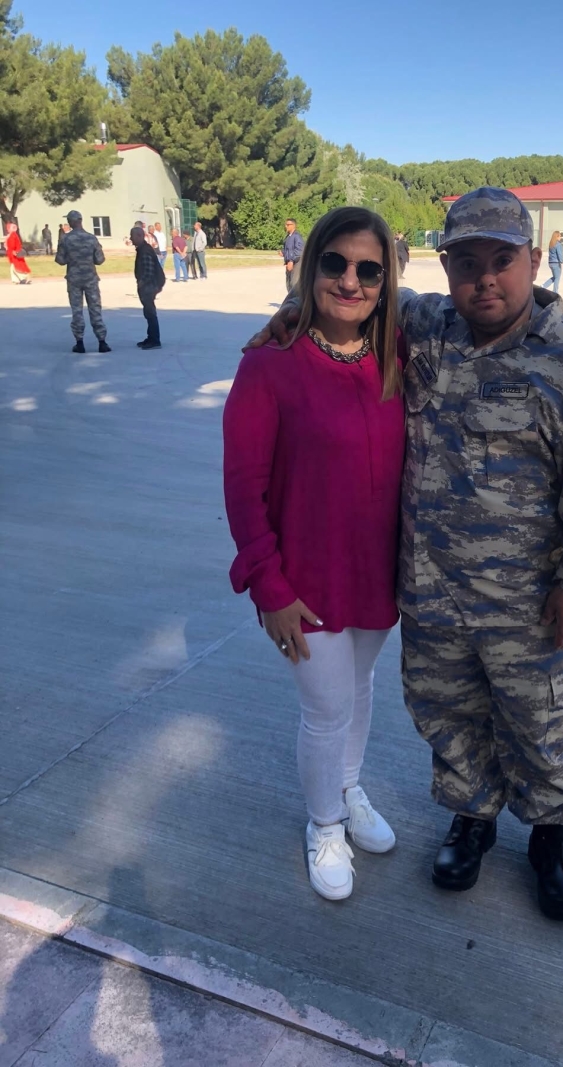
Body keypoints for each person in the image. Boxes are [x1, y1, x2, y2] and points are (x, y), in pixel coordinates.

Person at [245, 188, 563, 922]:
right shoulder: (425, 328)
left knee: (542, 723)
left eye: (501, 261)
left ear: (533, 260)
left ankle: (551, 837)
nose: (485, 279)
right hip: (431, 591)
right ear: (445, 267)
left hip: (528, 601)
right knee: (448, 716)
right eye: (467, 263)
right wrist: (293, 312)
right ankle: (471, 820)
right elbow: (349, 298)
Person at [224, 207, 404, 902]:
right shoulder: (268, 366)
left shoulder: (399, 354)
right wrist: (267, 586)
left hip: (376, 572)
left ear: (386, 282)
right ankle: (324, 823)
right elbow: (243, 486)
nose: (351, 282)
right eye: (335, 264)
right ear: (310, 266)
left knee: (359, 690)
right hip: (304, 578)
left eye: (369, 270)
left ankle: (348, 788)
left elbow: (477, 305)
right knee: (325, 708)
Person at [54, 209, 110, 354]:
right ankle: (102, 342)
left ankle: (79, 343)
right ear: (81, 220)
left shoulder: (65, 239)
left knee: (77, 311)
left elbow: (60, 260)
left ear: (70, 222)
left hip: (74, 280)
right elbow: (100, 260)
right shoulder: (92, 238)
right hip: (90, 279)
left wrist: (71, 257)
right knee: (95, 309)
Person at [130, 226, 165, 349]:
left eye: (132, 236)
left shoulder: (145, 251)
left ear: (140, 236)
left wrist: (141, 283)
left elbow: (149, 271)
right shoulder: (142, 249)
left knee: (150, 312)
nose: (131, 239)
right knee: (148, 312)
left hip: (150, 285)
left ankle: (155, 340)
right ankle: (151, 337)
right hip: (150, 284)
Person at [282, 218, 304, 292]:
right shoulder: (288, 236)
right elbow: (288, 249)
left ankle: (296, 299)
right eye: (286, 225)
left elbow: (299, 250)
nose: (286, 226)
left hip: (295, 264)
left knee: (294, 284)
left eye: (288, 225)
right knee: (288, 284)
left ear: (293, 225)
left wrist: (291, 261)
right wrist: (283, 253)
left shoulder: (297, 236)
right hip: (288, 264)